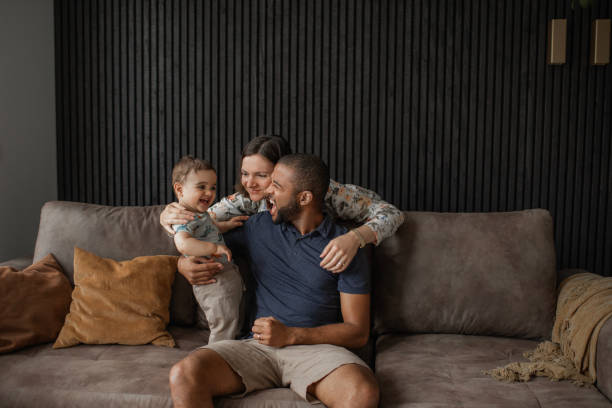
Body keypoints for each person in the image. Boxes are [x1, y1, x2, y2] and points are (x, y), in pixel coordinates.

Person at [169, 154, 379, 408]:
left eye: (276, 186)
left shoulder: (343, 246)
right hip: (256, 347)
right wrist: (182, 264)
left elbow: (357, 332)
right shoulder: (258, 227)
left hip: (318, 350)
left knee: (361, 392)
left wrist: (291, 335)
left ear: (304, 198)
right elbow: (201, 236)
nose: (266, 190)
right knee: (185, 374)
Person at [160, 135, 404, 285]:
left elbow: (391, 213)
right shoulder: (247, 199)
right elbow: (200, 223)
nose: (249, 183)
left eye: (262, 175)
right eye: (245, 173)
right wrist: (168, 222)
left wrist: (355, 238)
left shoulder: (328, 193)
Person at [170, 156, 243, 343]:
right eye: (201, 187)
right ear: (179, 189)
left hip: (224, 274)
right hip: (211, 277)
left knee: (231, 319)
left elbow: (211, 228)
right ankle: (216, 356)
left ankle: (227, 351)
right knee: (223, 322)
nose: (209, 193)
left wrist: (227, 225)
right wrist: (213, 248)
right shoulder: (184, 217)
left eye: (212, 187)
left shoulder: (200, 215)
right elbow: (184, 243)